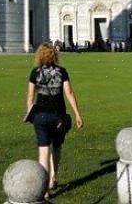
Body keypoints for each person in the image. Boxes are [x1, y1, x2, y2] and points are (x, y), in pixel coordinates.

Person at [26, 42, 84, 198]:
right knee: (57, 148)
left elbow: (31, 96)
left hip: (40, 116)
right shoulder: (62, 71)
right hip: (58, 117)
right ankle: (53, 177)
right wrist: (77, 114)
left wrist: (29, 112)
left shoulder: (35, 72)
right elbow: (69, 93)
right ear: (54, 55)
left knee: (43, 153)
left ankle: (44, 191)